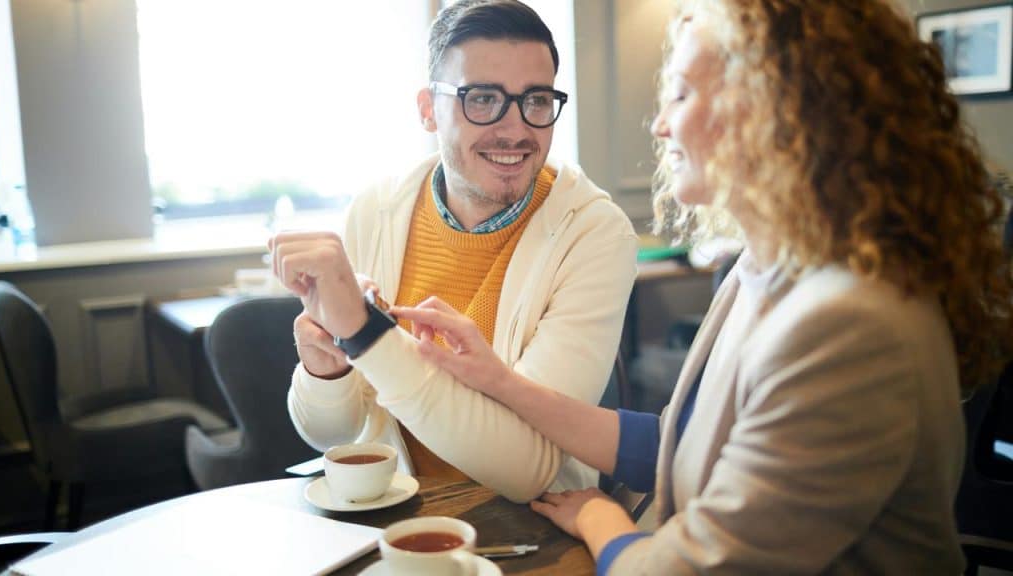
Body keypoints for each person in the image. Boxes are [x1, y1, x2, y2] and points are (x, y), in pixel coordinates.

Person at [392, 0, 1013, 573]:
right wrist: (501, 382)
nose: (660, 125)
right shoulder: (761, 271)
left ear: (777, 109)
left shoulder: (850, 328)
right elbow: (681, 443)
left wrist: (601, 517)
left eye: (682, 94)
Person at [268, 0, 637, 503]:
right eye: (482, 99)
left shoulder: (595, 235)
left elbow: (527, 470)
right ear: (427, 110)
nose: (515, 129)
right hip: (388, 516)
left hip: (530, 530)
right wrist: (325, 370)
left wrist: (366, 335)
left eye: (536, 100)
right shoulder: (374, 210)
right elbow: (330, 434)